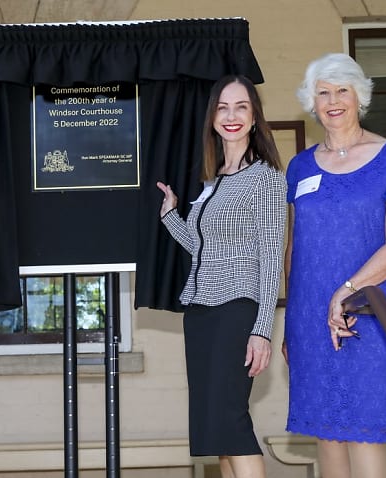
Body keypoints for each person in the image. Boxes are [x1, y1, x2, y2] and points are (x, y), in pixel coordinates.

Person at [283, 53, 386, 478]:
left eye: (342, 90)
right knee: (327, 435)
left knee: (366, 432)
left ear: (359, 96)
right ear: (311, 102)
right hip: (312, 317)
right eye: (323, 92)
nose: (333, 101)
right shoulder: (300, 166)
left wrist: (347, 290)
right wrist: (291, 323)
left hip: (373, 311)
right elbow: (295, 248)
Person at [157, 75, 287, 478]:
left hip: (237, 310)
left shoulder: (265, 177)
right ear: (212, 117)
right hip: (201, 313)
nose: (231, 116)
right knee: (216, 428)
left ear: (254, 117)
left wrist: (262, 330)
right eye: (222, 107)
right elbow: (204, 248)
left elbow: (271, 256)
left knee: (231, 421)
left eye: (241, 107)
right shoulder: (214, 180)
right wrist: (171, 216)